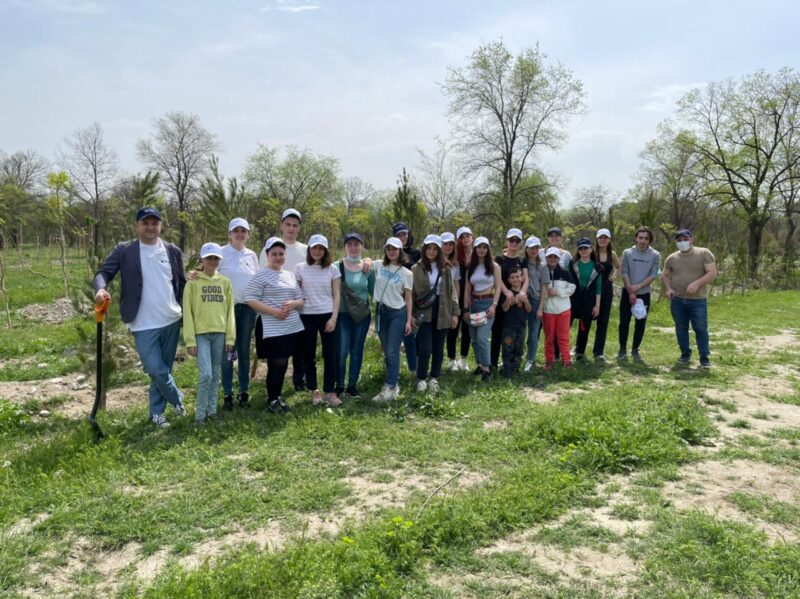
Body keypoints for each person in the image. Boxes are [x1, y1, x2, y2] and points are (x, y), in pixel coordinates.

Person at [93, 207, 187, 428]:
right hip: (142, 323)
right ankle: (177, 398)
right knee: (155, 369)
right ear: (137, 225)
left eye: (155, 223)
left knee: (164, 370)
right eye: (145, 223)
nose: (150, 227)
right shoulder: (125, 250)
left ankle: (156, 414)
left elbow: (181, 284)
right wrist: (100, 289)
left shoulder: (172, 250)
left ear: (161, 226)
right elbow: (103, 273)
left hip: (171, 319)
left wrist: (185, 311)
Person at [245, 237, 305, 414]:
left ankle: (277, 397)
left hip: (292, 327)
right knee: (276, 364)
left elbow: (301, 299)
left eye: (281, 254)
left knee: (285, 363)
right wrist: (274, 311)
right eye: (274, 254)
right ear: (267, 255)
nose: (278, 257)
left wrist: (294, 303)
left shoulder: (289, 275)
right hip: (272, 327)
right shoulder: (260, 275)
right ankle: (272, 400)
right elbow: (250, 298)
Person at [183, 242, 235, 425]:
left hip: (220, 334)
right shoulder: (193, 282)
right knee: (206, 375)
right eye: (209, 258)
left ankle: (212, 413)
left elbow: (230, 312)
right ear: (202, 259)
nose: (212, 261)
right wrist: (190, 340)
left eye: (216, 258)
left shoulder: (225, 282)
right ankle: (199, 417)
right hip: (201, 335)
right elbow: (187, 312)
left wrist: (230, 337)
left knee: (215, 374)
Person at [259, 208, 308, 392]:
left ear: (299, 228)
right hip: (276, 309)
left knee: (300, 347)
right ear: (281, 225)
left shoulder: (305, 250)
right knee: (278, 352)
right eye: (288, 224)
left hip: (300, 304)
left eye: (295, 225)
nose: (291, 228)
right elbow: (261, 276)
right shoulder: (270, 248)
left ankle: (299, 380)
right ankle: (274, 385)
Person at [295, 234, 342, 407]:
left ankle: (330, 391)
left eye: (321, 248)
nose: (317, 251)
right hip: (306, 316)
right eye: (314, 247)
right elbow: (296, 292)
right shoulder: (300, 268)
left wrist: (334, 318)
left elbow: (337, 295)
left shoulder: (332, 269)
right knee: (309, 355)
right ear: (309, 249)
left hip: (327, 315)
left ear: (325, 251)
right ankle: (314, 390)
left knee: (330, 355)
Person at [218, 218, 259, 410]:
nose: (240, 234)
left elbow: (257, 280)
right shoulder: (221, 253)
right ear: (230, 234)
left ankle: (243, 391)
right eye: (236, 231)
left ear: (248, 234)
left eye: (244, 231)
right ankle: (227, 393)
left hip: (248, 308)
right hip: (227, 309)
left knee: (243, 350)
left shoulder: (251, 255)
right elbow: (209, 273)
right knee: (227, 352)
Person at [661, 229, 717, 368]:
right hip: (677, 300)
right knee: (681, 328)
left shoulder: (703, 253)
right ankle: (685, 354)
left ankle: (704, 357)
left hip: (698, 300)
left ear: (692, 239)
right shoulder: (672, 258)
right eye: (679, 240)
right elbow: (665, 275)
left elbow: (712, 273)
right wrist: (668, 289)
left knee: (700, 328)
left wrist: (696, 284)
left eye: (685, 239)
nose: (683, 242)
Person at [412, 234, 459, 394]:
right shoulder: (416, 268)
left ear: (439, 251)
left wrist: (455, 313)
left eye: (435, 249)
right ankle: (422, 378)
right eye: (428, 248)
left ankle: (434, 378)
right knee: (425, 348)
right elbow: (411, 293)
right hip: (424, 311)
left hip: (443, 309)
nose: (431, 252)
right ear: (424, 249)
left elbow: (452, 292)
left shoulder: (446, 268)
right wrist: (411, 314)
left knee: (438, 348)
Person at [372, 237, 413, 403]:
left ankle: (389, 387)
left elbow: (408, 298)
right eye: (388, 249)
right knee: (387, 351)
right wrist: (366, 260)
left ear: (400, 251)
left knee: (392, 351)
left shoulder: (407, 273)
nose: (391, 252)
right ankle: (393, 384)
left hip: (397, 313)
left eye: (395, 249)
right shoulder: (378, 265)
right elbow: (364, 263)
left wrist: (408, 321)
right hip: (381, 312)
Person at [334, 232, 375, 399]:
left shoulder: (368, 268)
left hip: (362, 317)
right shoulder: (336, 267)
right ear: (344, 247)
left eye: (356, 244)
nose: (353, 247)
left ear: (362, 247)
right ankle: (339, 385)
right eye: (349, 244)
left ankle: (352, 385)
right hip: (342, 316)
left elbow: (374, 291)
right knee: (342, 352)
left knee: (356, 351)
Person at [463, 236, 503, 381]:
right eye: (479, 247)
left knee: (482, 338)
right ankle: (480, 364)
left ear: (488, 249)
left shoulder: (494, 266)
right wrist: (466, 309)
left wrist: (494, 305)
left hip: (487, 304)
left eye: (484, 247)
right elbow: (467, 290)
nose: (481, 250)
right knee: (474, 338)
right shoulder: (471, 267)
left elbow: (498, 288)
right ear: (475, 249)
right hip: (474, 304)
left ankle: (487, 368)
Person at [618, 226, 660, 361]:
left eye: (646, 238)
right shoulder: (627, 253)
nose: (642, 241)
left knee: (640, 322)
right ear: (636, 238)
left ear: (649, 240)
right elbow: (624, 272)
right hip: (627, 292)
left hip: (644, 293)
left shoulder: (655, 255)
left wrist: (639, 286)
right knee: (624, 321)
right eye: (640, 237)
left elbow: (654, 274)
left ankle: (635, 349)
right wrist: (631, 290)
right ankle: (622, 349)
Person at [490, 228, 529, 369]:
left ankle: (512, 363)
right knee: (497, 331)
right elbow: (497, 278)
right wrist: (507, 292)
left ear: (520, 243)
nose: (514, 243)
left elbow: (526, 279)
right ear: (507, 241)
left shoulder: (522, 261)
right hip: (502, 298)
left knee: (515, 334)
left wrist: (522, 293)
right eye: (511, 240)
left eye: (517, 240)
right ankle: (493, 363)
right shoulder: (499, 259)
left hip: (518, 302)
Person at [569, 237, 603, 361]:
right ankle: (561, 350)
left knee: (585, 326)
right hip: (573, 298)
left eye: (586, 248)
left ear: (591, 249)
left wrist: (597, 305)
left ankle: (580, 351)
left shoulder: (597, 267)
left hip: (589, 299)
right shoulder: (572, 265)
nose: (583, 250)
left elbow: (598, 287)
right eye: (581, 248)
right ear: (578, 251)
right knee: (566, 324)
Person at [393, 222, 420, 375]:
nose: (402, 237)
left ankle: (413, 369)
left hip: (411, 298)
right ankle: (392, 370)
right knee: (393, 338)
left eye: (404, 234)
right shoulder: (391, 252)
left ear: (409, 235)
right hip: (394, 297)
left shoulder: (416, 254)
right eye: (399, 235)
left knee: (410, 335)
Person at [542, 247, 576, 370]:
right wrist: (546, 294)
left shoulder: (565, 272)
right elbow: (539, 289)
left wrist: (558, 292)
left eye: (555, 257)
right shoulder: (543, 271)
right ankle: (549, 361)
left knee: (563, 337)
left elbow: (572, 288)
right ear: (546, 258)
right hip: (548, 310)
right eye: (550, 257)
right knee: (549, 338)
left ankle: (566, 361)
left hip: (563, 310)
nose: (552, 259)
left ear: (558, 258)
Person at [592, 228, 620, 360]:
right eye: (600, 237)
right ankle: (579, 348)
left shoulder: (612, 254)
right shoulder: (592, 252)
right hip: (592, 288)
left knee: (603, 320)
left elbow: (618, 267)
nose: (603, 240)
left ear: (609, 240)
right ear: (597, 239)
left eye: (605, 237)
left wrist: (614, 276)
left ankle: (598, 351)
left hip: (606, 289)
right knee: (586, 319)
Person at [522, 236, 549, 371]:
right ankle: (518, 356)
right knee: (520, 331)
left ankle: (530, 359)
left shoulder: (543, 266)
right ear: (526, 248)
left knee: (533, 333)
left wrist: (541, 308)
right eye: (531, 248)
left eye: (536, 248)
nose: (534, 250)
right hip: (522, 301)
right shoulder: (522, 263)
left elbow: (544, 288)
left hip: (536, 300)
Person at [500, 266, 531, 378]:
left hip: (521, 327)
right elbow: (504, 309)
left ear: (522, 278)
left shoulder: (526, 294)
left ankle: (516, 370)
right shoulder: (507, 293)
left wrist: (526, 301)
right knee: (507, 349)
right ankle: (507, 371)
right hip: (509, 327)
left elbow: (529, 309)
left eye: (517, 277)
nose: (515, 279)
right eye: (512, 277)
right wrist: (509, 300)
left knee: (519, 350)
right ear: (509, 280)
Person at [453, 226, 474, 370]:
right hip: (456, 295)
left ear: (472, 237)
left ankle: (464, 359)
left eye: (468, 236)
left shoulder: (477, 254)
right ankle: (451, 359)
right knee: (453, 328)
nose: (465, 239)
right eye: (462, 237)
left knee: (467, 329)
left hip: (471, 297)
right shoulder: (455, 255)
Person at [441, 232, 462, 372]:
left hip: (451, 301)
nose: (448, 247)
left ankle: (451, 359)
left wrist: (456, 305)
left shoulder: (455, 264)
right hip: (438, 301)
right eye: (445, 244)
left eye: (451, 244)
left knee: (452, 331)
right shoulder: (433, 262)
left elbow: (456, 284)